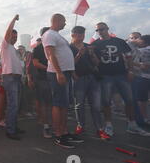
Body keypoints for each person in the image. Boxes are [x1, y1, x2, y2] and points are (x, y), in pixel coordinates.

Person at [91, 22, 149, 136]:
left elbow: (129, 57)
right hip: (105, 76)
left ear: (107, 29)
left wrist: (131, 70)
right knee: (106, 101)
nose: (100, 32)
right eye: (97, 30)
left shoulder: (119, 41)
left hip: (121, 74)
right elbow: (96, 63)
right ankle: (108, 125)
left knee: (129, 100)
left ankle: (132, 125)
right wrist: (92, 54)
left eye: (102, 29)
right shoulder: (96, 44)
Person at [43, 14, 82, 148]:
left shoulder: (57, 35)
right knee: (58, 104)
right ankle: (58, 135)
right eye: (64, 21)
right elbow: (50, 55)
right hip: (56, 73)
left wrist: (71, 72)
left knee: (64, 104)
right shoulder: (49, 35)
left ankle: (64, 132)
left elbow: (63, 55)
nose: (65, 24)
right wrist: (59, 72)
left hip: (65, 73)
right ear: (57, 21)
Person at [70, 26, 110, 140]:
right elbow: (69, 64)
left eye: (82, 34)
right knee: (79, 105)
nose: (81, 36)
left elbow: (97, 63)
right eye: (78, 34)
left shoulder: (89, 46)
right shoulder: (68, 48)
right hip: (78, 78)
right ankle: (81, 126)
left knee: (96, 105)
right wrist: (79, 55)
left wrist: (92, 54)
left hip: (92, 77)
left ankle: (100, 129)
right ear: (72, 34)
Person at [0, 15, 24, 140]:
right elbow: (8, 31)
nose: (14, 38)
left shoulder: (14, 49)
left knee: (16, 105)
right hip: (9, 78)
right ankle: (10, 130)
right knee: (12, 105)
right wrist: (13, 19)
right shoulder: (4, 45)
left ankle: (13, 126)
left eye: (16, 37)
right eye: (12, 36)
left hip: (17, 78)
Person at [31, 27, 52, 138]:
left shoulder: (54, 46)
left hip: (54, 79)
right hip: (43, 79)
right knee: (44, 104)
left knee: (53, 104)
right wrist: (50, 68)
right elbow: (35, 63)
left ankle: (54, 125)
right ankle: (46, 126)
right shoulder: (38, 48)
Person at [133, 35, 150, 125]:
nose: (136, 40)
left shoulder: (143, 51)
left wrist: (131, 62)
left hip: (143, 77)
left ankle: (144, 118)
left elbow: (144, 66)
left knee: (142, 100)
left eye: (138, 39)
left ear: (144, 42)